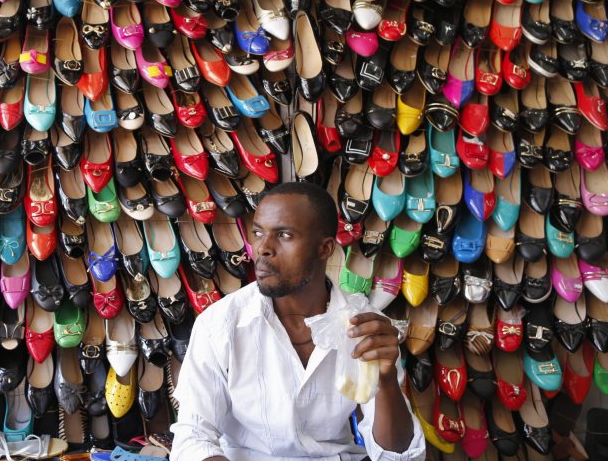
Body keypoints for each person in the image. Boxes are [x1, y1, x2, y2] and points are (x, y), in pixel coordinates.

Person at [170, 182, 426, 461]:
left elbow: (400, 456)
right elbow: (193, 440)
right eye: (258, 233)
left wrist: (386, 381)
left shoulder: (363, 327)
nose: (263, 248)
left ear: (325, 248)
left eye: (284, 235)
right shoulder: (219, 324)